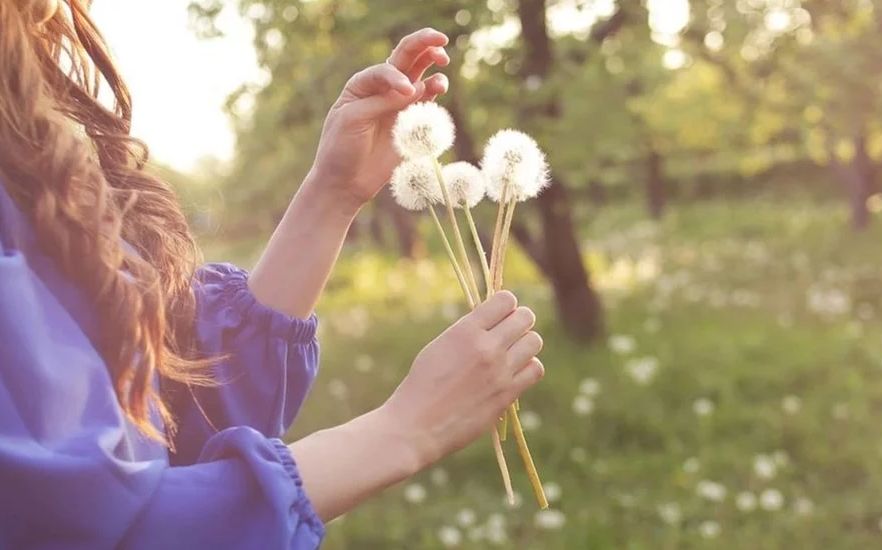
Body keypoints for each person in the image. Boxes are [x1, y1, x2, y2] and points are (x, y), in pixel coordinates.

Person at [0, 1, 546, 548]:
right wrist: (402, 431)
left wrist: (333, 193)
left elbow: (175, 404)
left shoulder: (28, 133)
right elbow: (81, 530)